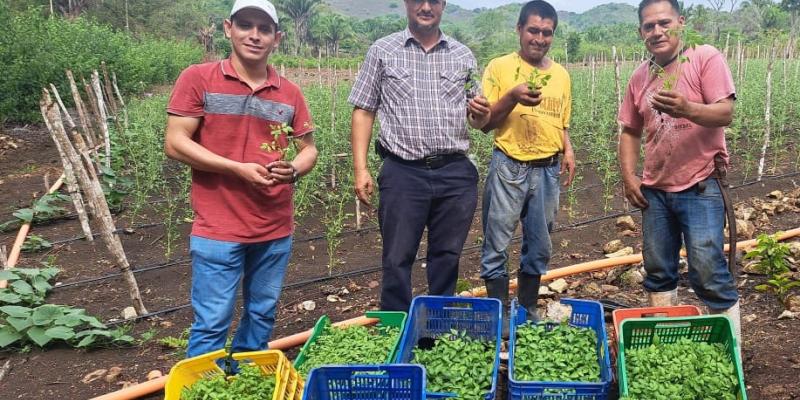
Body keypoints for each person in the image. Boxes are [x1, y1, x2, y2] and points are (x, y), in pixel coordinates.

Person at [164, 0, 318, 361]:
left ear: (276, 38)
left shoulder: (289, 92)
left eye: (264, 29)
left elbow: (308, 148)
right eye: (246, 25)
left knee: (262, 316)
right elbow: (175, 142)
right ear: (227, 28)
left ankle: (248, 378)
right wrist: (236, 168)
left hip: (274, 228)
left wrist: (294, 168)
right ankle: (204, 385)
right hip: (218, 228)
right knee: (212, 322)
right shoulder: (198, 78)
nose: (254, 35)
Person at [349, 0, 492, 312]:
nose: (426, 6)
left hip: (455, 171)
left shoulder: (462, 55)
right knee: (397, 257)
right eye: (418, 0)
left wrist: (481, 114)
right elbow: (363, 110)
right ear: (406, 3)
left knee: (447, 255)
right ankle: (397, 327)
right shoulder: (382, 50)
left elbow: (477, 121)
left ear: (443, 5)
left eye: (434, 1)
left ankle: (435, 327)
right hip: (403, 172)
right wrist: (360, 169)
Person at [617, 0, 740, 343]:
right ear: (641, 32)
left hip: (701, 184)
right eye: (648, 26)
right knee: (657, 271)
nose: (657, 31)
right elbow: (629, 130)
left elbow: (725, 112)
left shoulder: (704, 57)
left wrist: (688, 108)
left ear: (680, 22)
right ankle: (662, 346)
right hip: (655, 192)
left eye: (664, 23)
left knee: (708, 271)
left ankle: (729, 351)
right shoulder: (641, 76)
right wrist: (629, 176)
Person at [479, 0, 576, 326]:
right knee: (497, 243)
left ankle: (528, 310)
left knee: (538, 245)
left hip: (548, 170)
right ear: (519, 30)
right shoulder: (499, 68)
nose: (539, 38)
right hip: (509, 165)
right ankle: (498, 319)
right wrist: (512, 96)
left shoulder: (561, 75)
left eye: (547, 33)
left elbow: (561, 122)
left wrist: (568, 149)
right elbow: (485, 122)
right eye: (533, 30)